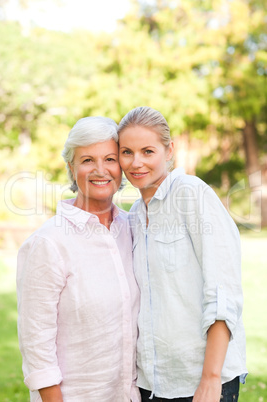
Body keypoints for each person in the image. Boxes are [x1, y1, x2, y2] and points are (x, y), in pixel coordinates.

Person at [118, 106, 247, 402]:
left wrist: (211, 379)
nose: (136, 162)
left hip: (200, 380)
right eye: (127, 152)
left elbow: (222, 292)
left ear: (169, 150)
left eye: (147, 151)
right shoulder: (135, 214)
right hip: (153, 383)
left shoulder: (191, 194)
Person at [17, 116, 140, 402]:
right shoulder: (48, 243)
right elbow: (37, 345)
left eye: (110, 158)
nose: (100, 170)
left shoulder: (134, 229)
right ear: (71, 167)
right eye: (87, 160)